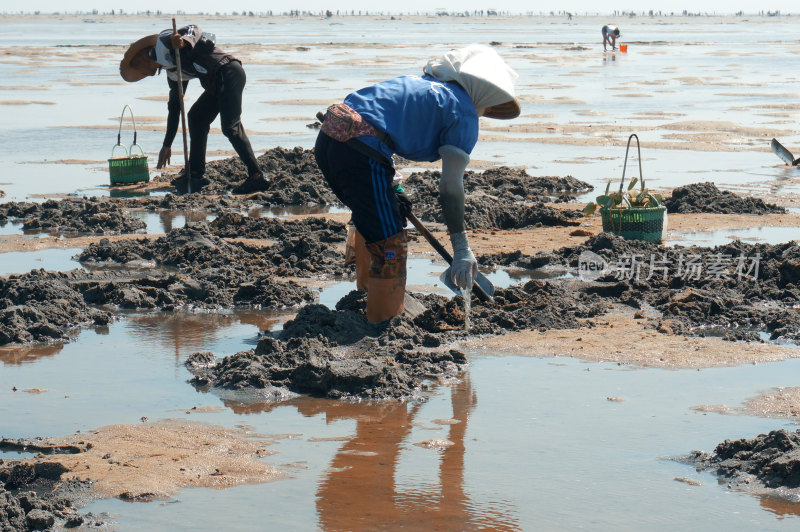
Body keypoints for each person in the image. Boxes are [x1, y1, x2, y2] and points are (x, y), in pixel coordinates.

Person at [314, 44, 519, 323]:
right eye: (488, 105)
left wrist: (393, 186)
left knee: (376, 219)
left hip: (330, 139)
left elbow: (379, 128)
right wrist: (461, 248)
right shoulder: (462, 111)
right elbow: (450, 189)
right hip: (360, 155)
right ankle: (383, 321)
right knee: (390, 241)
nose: (483, 112)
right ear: (484, 92)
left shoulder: (419, 86)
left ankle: (367, 293)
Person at [119, 25, 268, 193]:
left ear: (142, 57)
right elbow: (175, 108)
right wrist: (167, 145)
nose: (141, 71)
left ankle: (257, 176)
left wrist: (183, 42)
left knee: (230, 127)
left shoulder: (163, 42)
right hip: (215, 83)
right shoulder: (172, 71)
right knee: (196, 117)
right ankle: (196, 174)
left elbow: (194, 29)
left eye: (137, 65)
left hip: (228, 72)